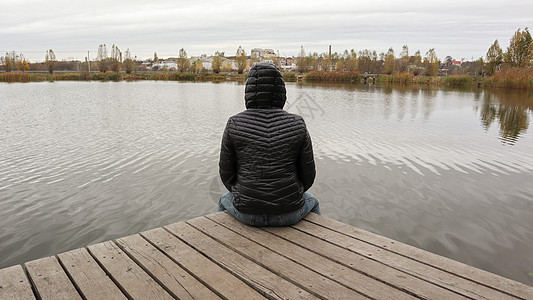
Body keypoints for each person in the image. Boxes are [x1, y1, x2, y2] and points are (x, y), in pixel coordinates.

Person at [217, 62, 320, 226]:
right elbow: (308, 177)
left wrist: (248, 196)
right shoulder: (297, 123)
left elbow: (226, 176)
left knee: (224, 200)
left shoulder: (234, 123)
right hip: (289, 213)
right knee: (312, 200)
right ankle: (315, 246)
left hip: (247, 214)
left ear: (249, 91)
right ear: (281, 91)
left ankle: (223, 242)